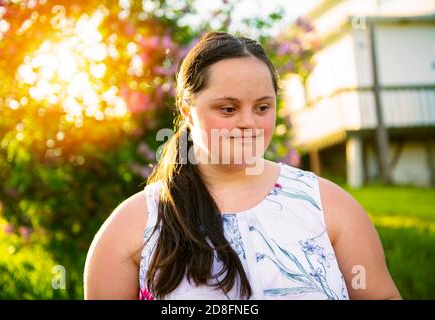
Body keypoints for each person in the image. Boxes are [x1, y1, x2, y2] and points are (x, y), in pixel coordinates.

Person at [84, 31, 401, 300]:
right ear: (187, 110)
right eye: (228, 108)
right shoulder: (132, 225)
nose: (248, 122)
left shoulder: (326, 205)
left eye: (262, 107)